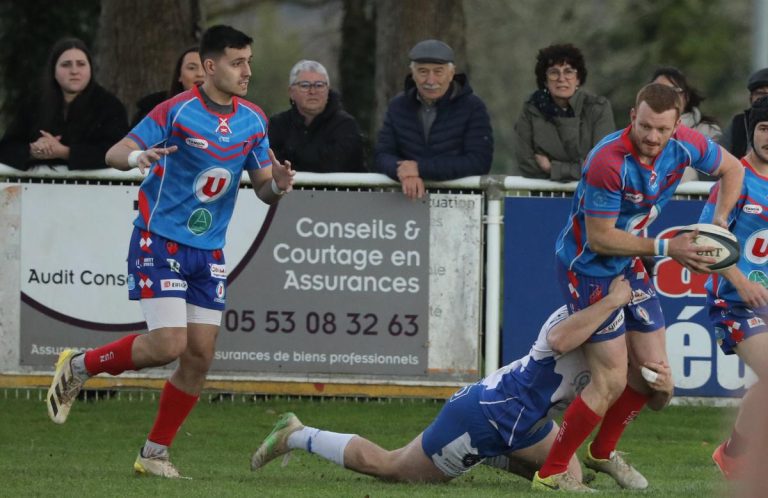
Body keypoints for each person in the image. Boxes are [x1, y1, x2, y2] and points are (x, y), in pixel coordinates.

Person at [45, 25, 295, 479]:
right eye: (238, 62)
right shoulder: (176, 111)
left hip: (209, 250)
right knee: (169, 344)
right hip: (159, 240)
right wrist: (135, 159)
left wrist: (276, 184)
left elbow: (262, 189)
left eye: (250, 62)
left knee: (198, 355)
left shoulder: (255, 119)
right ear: (211, 66)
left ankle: (154, 454)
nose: (247, 71)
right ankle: (79, 366)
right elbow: (114, 152)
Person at [251, 276, 673, 491]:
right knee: (393, 468)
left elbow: (649, 399)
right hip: (487, 416)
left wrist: (666, 386)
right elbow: (560, 340)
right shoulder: (583, 311)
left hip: (530, 423)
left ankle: (497, 458)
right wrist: (614, 301)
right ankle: (296, 433)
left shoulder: (623, 336)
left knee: (572, 475)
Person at [538, 83, 745, 491]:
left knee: (654, 373)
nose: (653, 137)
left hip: (629, 262)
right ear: (633, 115)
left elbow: (733, 169)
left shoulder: (685, 143)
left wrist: (718, 222)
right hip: (590, 268)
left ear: (676, 126)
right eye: (645, 126)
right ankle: (552, 472)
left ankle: (601, 453)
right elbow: (599, 238)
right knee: (612, 379)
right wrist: (670, 247)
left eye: (662, 130)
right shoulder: (608, 161)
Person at [704, 97, 768, 482]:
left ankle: (735, 455)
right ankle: (737, 455)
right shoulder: (736, 179)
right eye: (764, 128)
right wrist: (741, 281)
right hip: (736, 303)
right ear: (752, 130)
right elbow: (707, 240)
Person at [374, 39, 493, 200]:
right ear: (413, 74)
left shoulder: (473, 107)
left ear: (451, 74)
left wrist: (420, 169)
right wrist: (404, 173)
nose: (431, 81)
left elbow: (479, 161)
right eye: (423, 71)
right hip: (406, 204)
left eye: (438, 72)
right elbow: (382, 154)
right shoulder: (398, 106)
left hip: (461, 206)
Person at [0, 37, 128, 171]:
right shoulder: (34, 103)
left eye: (81, 64)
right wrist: (34, 150)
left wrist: (64, 152)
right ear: (53, 70)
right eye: (66, 64)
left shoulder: (109, 105)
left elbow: (118, 152)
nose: (74, 71)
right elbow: (6, 148)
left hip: (96, 188)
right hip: (37, 188)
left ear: (90, 68)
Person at [514, 43, 615, 182]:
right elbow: (526, 164)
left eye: (568, 72)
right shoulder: (531, 110)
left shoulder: (597, 109)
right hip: (543, 198)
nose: (561, 79)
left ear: (578, 78)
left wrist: (552, 169)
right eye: (554, 73)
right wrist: (580, 168)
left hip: (589, 196)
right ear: (545, 80)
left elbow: (602, 165)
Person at [268, 60, 366, 173]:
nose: (313, 91)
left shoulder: (346, 125)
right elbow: (269, 164)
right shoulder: (278, 125)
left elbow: (333, 165)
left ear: (328, 90)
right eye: (304, 85)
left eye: (319, 85)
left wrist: (291, 155)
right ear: (291, 92)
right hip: (287, 190)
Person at [651, 66, 722, 182]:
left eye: (672, 91)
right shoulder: (637, 130)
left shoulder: (708, 131)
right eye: (656, 90)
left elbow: (712, 171)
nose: (663, 96)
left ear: (686, 97)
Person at [131, 46, 205, 126]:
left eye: (206, 68)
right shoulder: (153, 111)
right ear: (179, 75)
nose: (200, 74)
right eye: (191, 68)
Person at [721, 68, 768, 159]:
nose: (766, 99)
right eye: (761, 93)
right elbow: (718, 161)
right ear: (750, 98)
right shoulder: (739, 123)